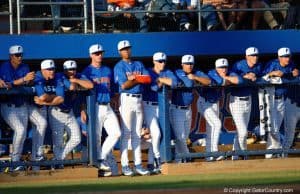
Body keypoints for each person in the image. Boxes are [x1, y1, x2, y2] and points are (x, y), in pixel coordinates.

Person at [0, 45, 47, 172]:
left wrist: (29, 81)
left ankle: (36, 156)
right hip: (8, 106)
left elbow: (26, 83)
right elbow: (8, 85)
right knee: (20, 130)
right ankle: (14, 162)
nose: (20, 57)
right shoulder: (5, 67)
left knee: (39, 124)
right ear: (11, 56)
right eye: (17, 55)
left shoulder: (25, 67)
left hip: (23, 104)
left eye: (21, 55)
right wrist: (23, 80)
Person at [82, 44, 121, 174]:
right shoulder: (87, 71)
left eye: (101, 53)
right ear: (91, 55)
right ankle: (98, 165)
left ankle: (100, 158)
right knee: (96, 138)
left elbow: (114, 90)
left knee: (116, 133)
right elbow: (83, 93)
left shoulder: (108, 70)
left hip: (108, 106)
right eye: (96, 53)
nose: (99, 55)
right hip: (95, 107)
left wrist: (115, 101)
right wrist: (83, 108)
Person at [114, 40, 151, 176]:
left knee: (136, 133)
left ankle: (138, 164)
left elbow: (147, 79)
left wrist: (133, 78)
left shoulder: (138, 64)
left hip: (138, 99)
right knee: (126, 133)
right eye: (124, 49)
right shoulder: (119, 66)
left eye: (128, 48)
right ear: (119, 52)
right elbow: (124, 86)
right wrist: (137, 79)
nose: (127, 51)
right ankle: (124, 165)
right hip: (126, 99)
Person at [198, 58, 241, 162]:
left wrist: (228, 78)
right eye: (221, 67)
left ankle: (209, 156)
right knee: (217, 124)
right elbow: (221, 81)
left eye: (225, 67)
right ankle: (214, 152)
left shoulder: (228, 73)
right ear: (216, 68)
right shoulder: (211, 73)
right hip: (204, 102)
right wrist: (229, 79)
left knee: (211, 129)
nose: (223, 69)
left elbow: (239, 80)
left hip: (215, 103)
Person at [142, 52, 178, 173]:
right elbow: (154, 87)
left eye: (163, 61)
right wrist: (162, 82)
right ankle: (157, 159)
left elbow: (175, 82)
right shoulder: (148, 71)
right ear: (154, 61)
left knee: (159, 135)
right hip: (148, 106)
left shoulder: (167, 72)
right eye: (159, 61)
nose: (162, 63)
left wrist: (161, 79)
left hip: (162, 107)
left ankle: (151, 164)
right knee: (156, 134)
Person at [171, 54, 211, 163]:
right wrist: (191, 79)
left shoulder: (196, 73)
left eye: (191, 64)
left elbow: (208, 81)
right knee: (179, 137)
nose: (189, 66)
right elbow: (188, 84)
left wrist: (196, 78)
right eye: (187, 64)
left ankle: (179, 160)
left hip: (188, 110)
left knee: (184, 138)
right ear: (182, 64)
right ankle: (187, 157)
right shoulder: (178, 72)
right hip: (176, 109)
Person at [262, 47, 298, 159]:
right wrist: (272, 73)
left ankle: (271, 153)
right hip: (270, 99)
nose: (287, 59)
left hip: (281, 99)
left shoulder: (291, 64)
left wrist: (292, 74)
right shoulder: (272, 64)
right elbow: (262, 78)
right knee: (273, 128)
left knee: (276, 128)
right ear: (279, 57)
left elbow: (292, 75)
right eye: (284, 57)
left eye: (288, 56)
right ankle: (274, 151)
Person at [33, 59, 70, 168]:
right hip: (30, 106)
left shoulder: (57, 78)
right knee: (38, 126)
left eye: (53, 69)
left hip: (42, 106)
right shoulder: (38, 76)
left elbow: (61, 99)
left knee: (41, 128)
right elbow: (42, 96)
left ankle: (37, 162)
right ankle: (21, 161)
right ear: (42, 70)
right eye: (48, 69)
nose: (51, 71)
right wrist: (52, 97)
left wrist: (45, 101)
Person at [230, 47, 263, 160]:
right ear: (246, 56)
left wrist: (255, 77)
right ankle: (245, 155)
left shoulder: (258, 66)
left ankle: (235, 155)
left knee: (240, 131)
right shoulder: (238, 65)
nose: (255, 57)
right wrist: (244, 76)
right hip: (236, 101)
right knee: (243, 132)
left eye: (256, 55)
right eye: (252, 55)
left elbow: (262, 77)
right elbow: (231, 77)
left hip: (248, 100)